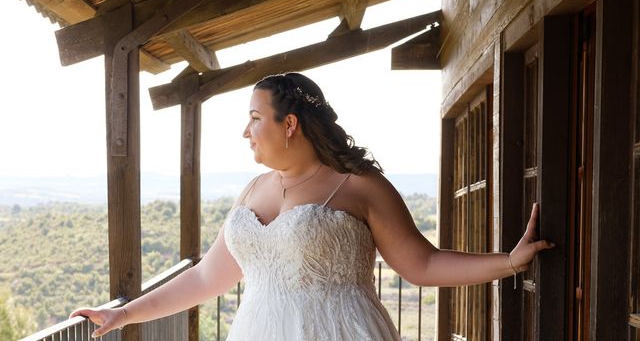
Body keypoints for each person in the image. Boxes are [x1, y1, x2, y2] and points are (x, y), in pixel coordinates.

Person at [71, 72, 554, 340]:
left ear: (290, 124)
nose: (245, 131)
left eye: (255, 118)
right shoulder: (253, 190)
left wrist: (509, 262)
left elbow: (422, 263)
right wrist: (123, 315)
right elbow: (203, 278)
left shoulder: (359, 185)